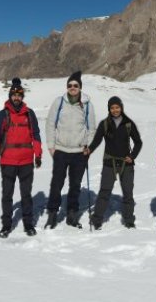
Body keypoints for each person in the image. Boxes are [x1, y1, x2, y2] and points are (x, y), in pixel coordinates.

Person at [0, 78, 42, 238]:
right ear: (10, 96)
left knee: (26, 195)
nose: (17, 97)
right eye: (14, 95)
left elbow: (36, 135)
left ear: (22, 96)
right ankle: (6, 226)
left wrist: (38, 154)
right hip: (8, 161)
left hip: (26, 161)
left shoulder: (29, 114)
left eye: (19, 95)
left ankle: (28, 224)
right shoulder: (2, 115)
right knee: (7, 195)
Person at [44, 71, 96, 229]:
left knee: (75, 185)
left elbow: (92, 128)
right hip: (60, 150)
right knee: (56, 183)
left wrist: (88, 147)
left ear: (80, 88)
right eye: (70, 85)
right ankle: (52, 215)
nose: (72, 88)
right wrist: (51, 146)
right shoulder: (59, 102)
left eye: (76, 85)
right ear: (67, 87)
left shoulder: (87, 105)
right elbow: (50, 124)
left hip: (79, 152)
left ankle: (71, 215)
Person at [86, 96, 142, 230]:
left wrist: (132, 156)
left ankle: (129, 220)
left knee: (128, 193)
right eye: (112, 108)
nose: (115, 110)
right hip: (109, 162)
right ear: (109, 109)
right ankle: (97, 219)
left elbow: (138, 142)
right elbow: (97, 141)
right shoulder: (105, 124)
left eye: (117, 107)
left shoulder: (128, 123)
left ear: (121, 108)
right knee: (105, 191)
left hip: (126, 163)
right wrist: (89, 150)